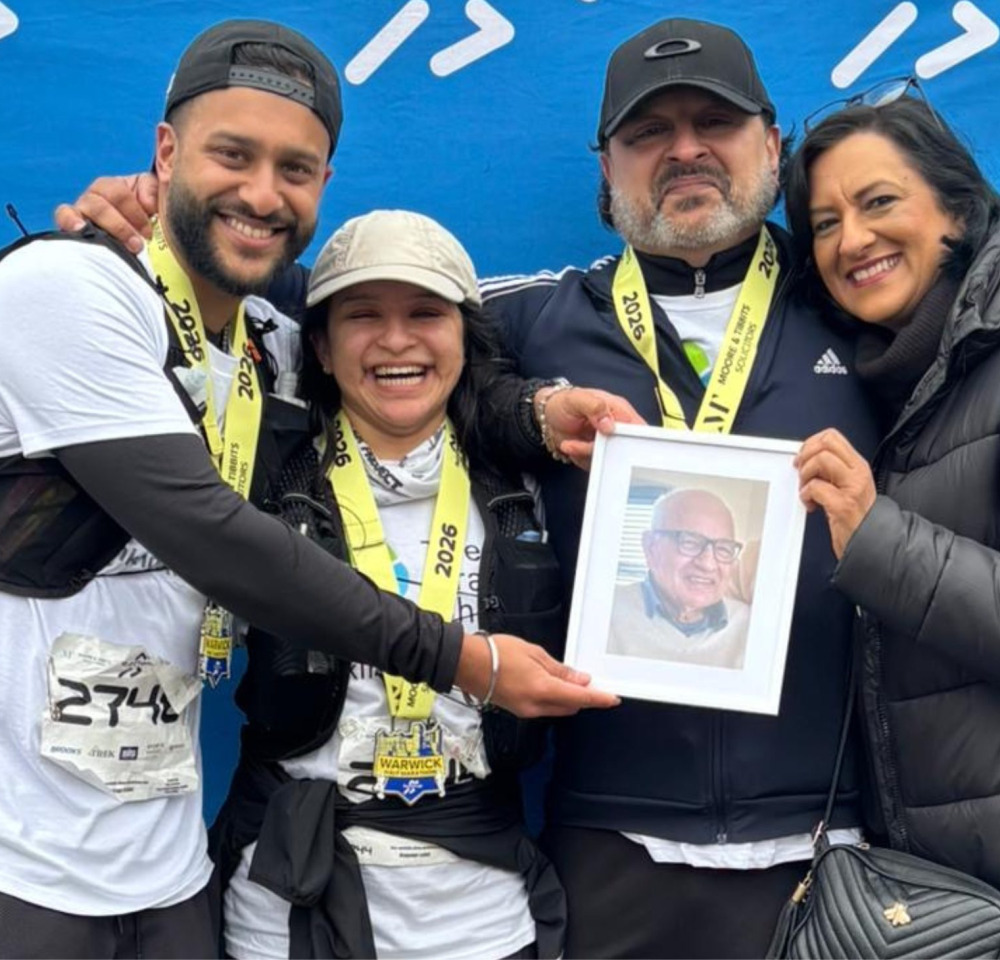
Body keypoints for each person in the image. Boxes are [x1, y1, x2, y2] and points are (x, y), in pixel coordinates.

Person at [55, 17, 882, 958]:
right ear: (605, 166)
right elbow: (318, 305)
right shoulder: (533, 310)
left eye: (714, 124)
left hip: (826, 835)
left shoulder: (866, 315)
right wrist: (145, 224)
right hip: (603, 836)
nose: (684, 151)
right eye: (649, 133)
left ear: (772, 144)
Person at [0, 21, 615, 959]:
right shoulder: (65, 286)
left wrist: (529, 412)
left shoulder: (270, 349)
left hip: (167, 872)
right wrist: (468, 661)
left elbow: (410, 368)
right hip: (19, 863)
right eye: (231, 155)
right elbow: (206, 530)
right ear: (164, 154)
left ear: (323, 183)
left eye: (295, 167)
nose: (261, 192)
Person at [786, 92, 1000, 956]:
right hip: (935, 910)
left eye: (878, 202)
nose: (852, 240)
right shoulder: (894, 381)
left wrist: (876, 537)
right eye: (823, 222)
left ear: (957, 208)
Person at [212, 209, 568, 960]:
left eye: (426, 314)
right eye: (363, 315)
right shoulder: (259, 482)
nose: (397, 340)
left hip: (479, 911)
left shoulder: (527, 494)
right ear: (321, 345)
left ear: (467, 339)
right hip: (288, 907)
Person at [608, 488, 749, 670]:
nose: (708, 564)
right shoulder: (605, 610)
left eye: (723, 548)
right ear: (651, 547)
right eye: (690, 542)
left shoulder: (751, 626)